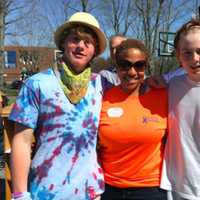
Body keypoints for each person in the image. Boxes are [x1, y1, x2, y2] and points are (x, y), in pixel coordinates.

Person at [9, 12, 108, 200]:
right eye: (75, 39)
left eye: (88, 42)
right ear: (63, 43)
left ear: (95, 50)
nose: (81, 46)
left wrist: (161, 80)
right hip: (47, 191)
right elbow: (21, 141)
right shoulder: (37, 84)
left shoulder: (100, 85)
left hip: (90, 191)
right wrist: (20, 194)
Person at [98, 39, 168, 200]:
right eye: (124, 65)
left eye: (139, 65)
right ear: (116, 65)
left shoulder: (163, 95)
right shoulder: (103, 98)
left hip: (151, 190)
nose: (132, 72)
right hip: (110, 189)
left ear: (146, 66)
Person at [160, 19, 200, 200]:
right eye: (187, 53)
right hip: (178, 184)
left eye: (199, 51)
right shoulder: (172, 85)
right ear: (178, 56)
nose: (195, 59)